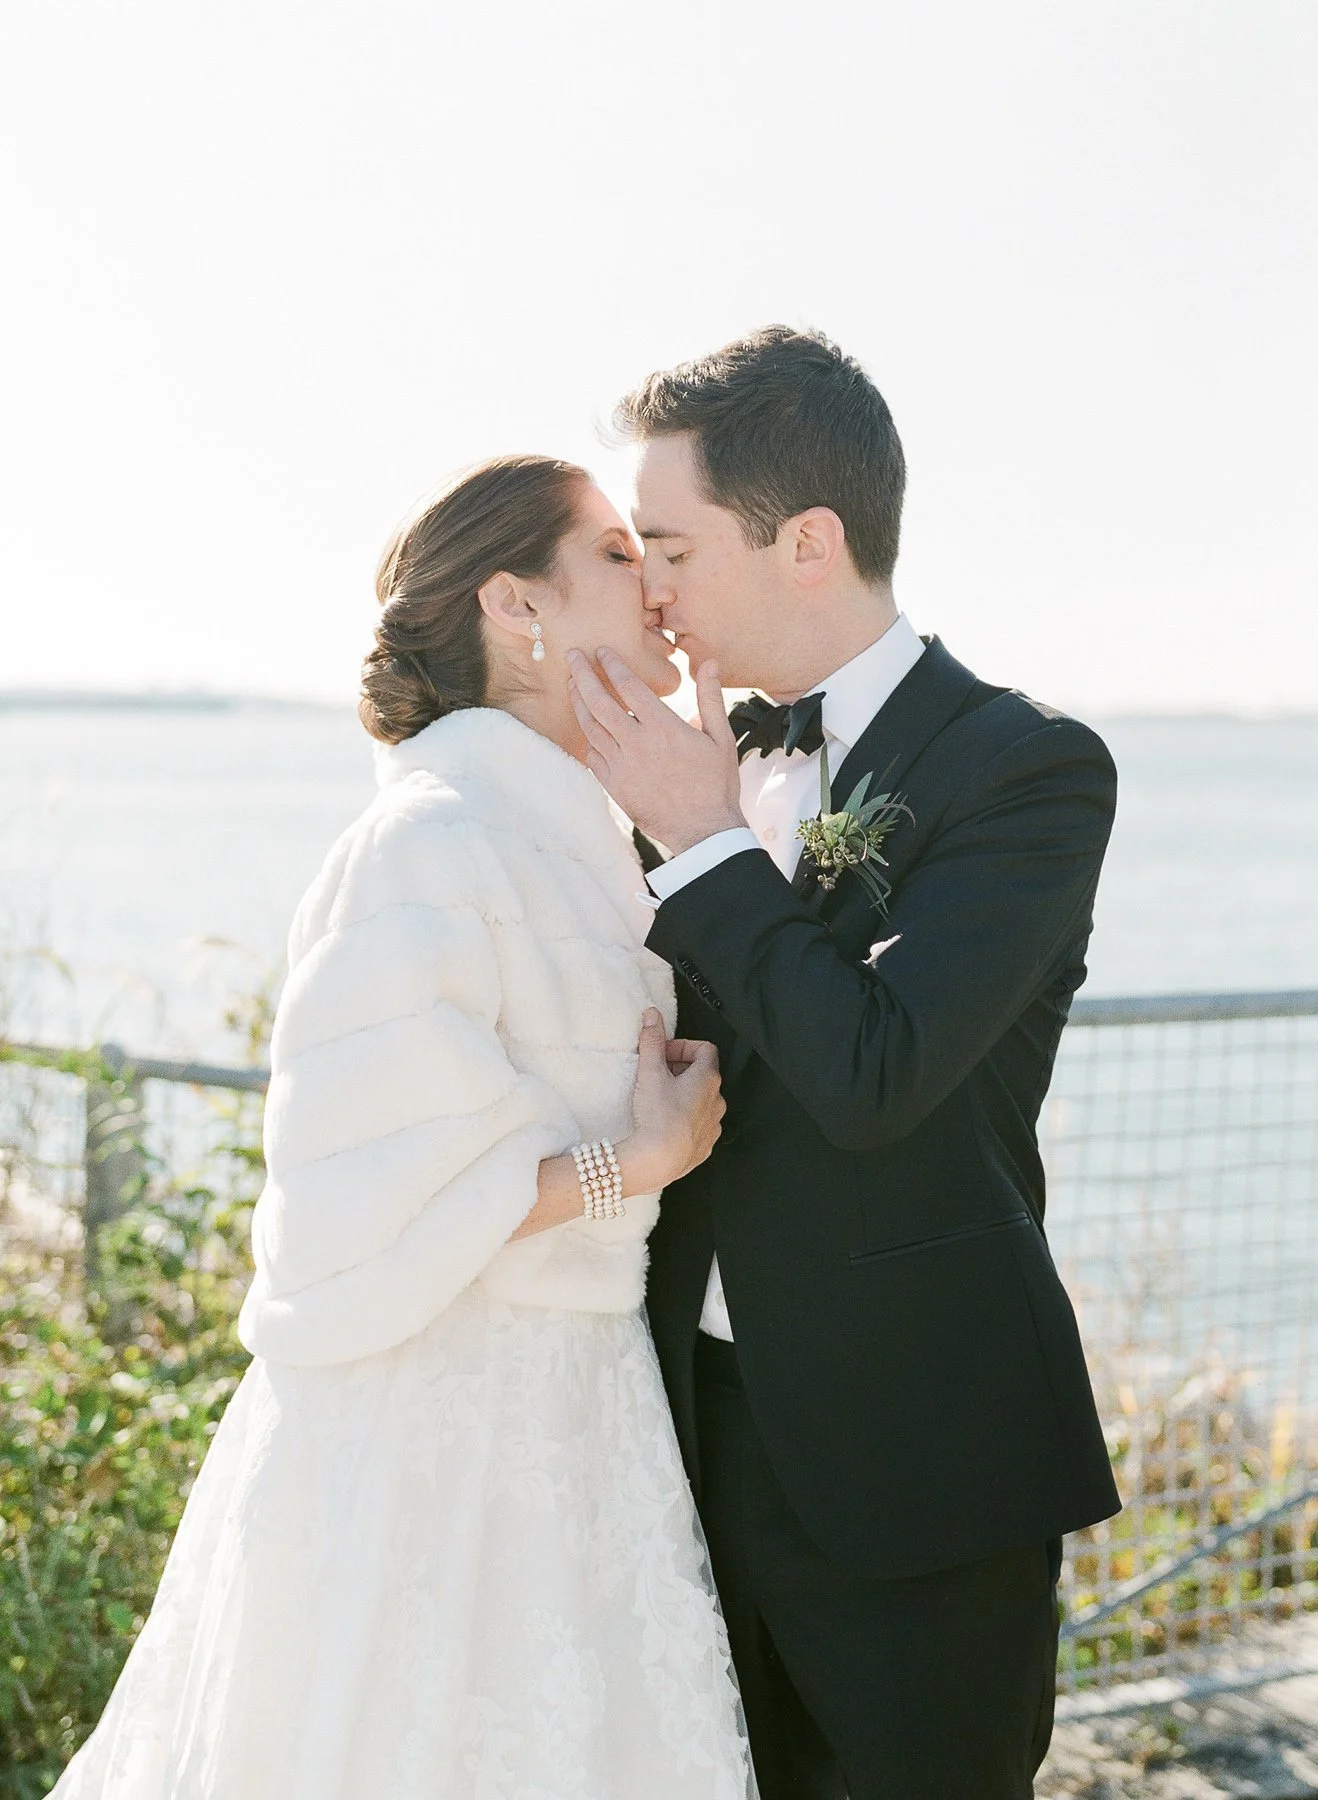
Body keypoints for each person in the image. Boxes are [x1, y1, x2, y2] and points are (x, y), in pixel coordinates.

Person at [51, 455, 755, 1800]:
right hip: (436, 1432)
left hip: (580, 1418)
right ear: (514, 602)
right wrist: (640, 1159)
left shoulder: (584, 838)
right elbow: (360, 1198)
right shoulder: (426, 839)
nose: (653, 581)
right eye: (613, 554)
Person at [568, 326, 1123, 1800]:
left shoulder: (1024, 769)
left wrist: (701, 844)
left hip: (918, 1456)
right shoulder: (693, 757)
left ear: (806, 540)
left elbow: (877, 1070)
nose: (652, 593)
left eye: (671, 549)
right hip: (687, 1428)